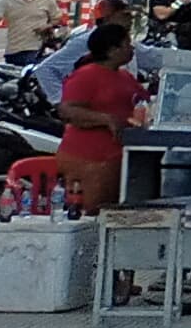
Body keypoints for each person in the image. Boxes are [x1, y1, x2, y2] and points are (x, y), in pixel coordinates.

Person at [53, 17, 147, 217]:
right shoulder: (86, 75)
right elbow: (67, 110)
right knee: (92, 212)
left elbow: (143, 101)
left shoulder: (124, 76)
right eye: (127, 45)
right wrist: (106, 119)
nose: (131, 50)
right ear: (112, 50)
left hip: (117, 157)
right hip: (88, 158)